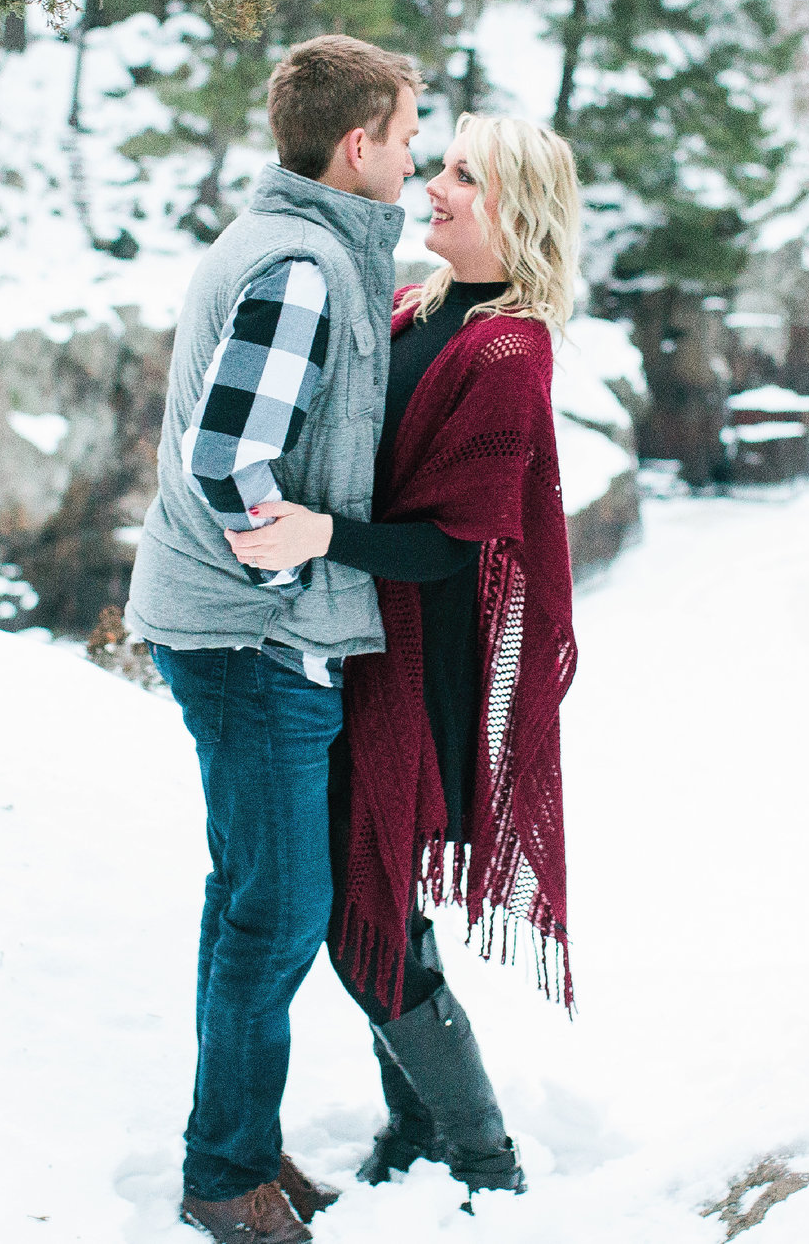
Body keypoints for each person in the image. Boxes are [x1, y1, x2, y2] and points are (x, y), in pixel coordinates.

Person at [227, 113, 582, 1209]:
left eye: (463, 175)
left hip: (419, 656)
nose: (434, 185)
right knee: (372, 898)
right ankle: (419, 1127)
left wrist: (320, 535)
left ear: (514, 208)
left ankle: (481, 1153)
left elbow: (450, 539)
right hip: (357, 639)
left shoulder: (509, 347)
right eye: (440, 162)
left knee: (360, 905)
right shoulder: (416, 306)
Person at [124, 34, 421, 1244]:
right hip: (255, 636)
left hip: (242, 629)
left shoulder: (301, 247)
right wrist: (292, 556)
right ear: (356, 145)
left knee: (247, 896)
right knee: (281, 909)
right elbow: (224, 452)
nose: (416, 154)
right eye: (406, 134)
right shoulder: (301, 267)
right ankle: (222, 1173)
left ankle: (235, 1144)